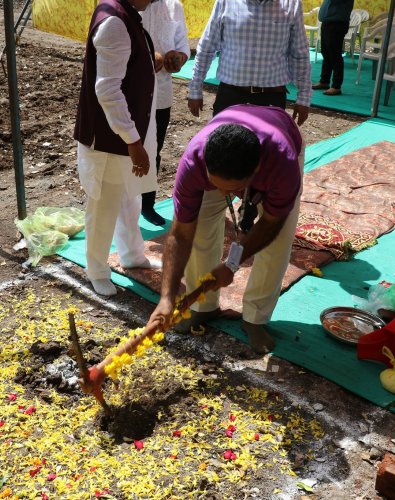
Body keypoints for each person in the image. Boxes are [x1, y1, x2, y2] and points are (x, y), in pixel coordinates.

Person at [147, 104, 305, 355]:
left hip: (278, 134)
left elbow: (271, 224)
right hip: (228, 150)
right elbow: (180, 234)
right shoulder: (194, 162)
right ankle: (204, 307)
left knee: (278, 243)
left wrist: (233, 263)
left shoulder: (282, 165)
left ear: (255, 172)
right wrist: (167, 298)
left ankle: (255, 317)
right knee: (199, 228)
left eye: (232, 190)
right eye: (216, 185)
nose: (224, 195)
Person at [73, 0, 160, 297]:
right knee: (104, 203)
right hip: (109, 138)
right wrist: (133, 141)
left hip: (123, 132)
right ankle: (96, 269)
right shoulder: (114, 21)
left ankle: (132, 254)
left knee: (128, 197)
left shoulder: (124, 14)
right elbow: (108, 89)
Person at [187, 0, 312, 125]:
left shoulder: (291, 4)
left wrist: (303, 98)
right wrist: (195, 90)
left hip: (271, 98)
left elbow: (299, 55)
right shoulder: (225, 2)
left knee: (268, 144)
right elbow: (206, 48)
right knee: (225, 143)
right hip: (231, 95)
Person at [140, 0, 190, 226]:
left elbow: (183, 45)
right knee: (125, 150)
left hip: (160, 94)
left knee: (153, 149)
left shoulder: (174, 6)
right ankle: (125, 203)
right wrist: (148, 58)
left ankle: (146, 205)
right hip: (131, 92)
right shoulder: (127, 5)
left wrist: (178, 58)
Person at [311, 0, 355, 96]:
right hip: (328, 22)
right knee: (326, 53)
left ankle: (336, 86)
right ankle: (324, 81)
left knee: (334, 55)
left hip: (337, 23)